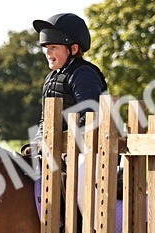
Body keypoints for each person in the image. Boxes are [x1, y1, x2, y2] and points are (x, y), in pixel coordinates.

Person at [30, 12, 107, 154]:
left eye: (53, 47)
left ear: (73, 49)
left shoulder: (83, 74)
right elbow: (44, 120)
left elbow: (91, 116)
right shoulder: (50, 78)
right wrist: (38, 141)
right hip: (59, 151)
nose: (48, 52)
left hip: (89, 152)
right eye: (46, 47)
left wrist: (59, 143)